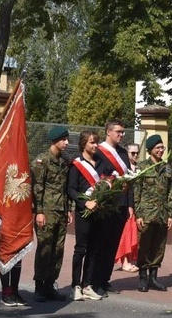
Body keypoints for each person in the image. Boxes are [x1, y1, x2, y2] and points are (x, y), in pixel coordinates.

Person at [92, 119, 133, 297]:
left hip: (122, 203)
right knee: (102, 243)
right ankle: (95, 281)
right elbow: (98, 177)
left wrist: (130, 204)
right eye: (118, 131)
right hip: (107, 204)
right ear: (108, 132)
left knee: (113, 244)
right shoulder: (100, 152)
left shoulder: (123, 153)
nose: (121, 135)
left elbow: (129, 179)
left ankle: (105, 279)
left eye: (123, 132)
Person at [31, 125, 71, 302]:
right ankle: (39, 286)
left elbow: (65, 187)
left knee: (58, 249)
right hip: (46, 211)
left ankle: (50, 284)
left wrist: (68, 209)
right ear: (55, 140)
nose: (67, 143)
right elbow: (37, 188)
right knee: (45, 248)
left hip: (61, 210)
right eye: (64, 139)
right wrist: (39, 211)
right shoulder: (42, 161)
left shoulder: (64, 161)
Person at [133, 134, 172, 292]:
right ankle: (143, 278)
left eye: (162, 147)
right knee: (144, 245)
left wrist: (170, 214)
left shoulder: (167, 167)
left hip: (162, 214)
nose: (161, 150)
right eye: (157, 148)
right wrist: (139, 214)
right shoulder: (143, 167)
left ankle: (153, 278)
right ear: (150, 150)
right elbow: (137, 191)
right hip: (147, 214)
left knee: (159, 246)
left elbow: (171, 192)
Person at [68, 130, 104, 301]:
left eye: (96, 142)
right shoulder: (76, 164)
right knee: (80, 249)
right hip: (84, 212)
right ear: (84, 144)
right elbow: (71, 190)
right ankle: (75, 285)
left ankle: (87, 285)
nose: (95, 145)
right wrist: (85, 203)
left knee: (94, 249)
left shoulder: (100, 164)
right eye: (92, 142)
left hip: (98, 211)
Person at [115, 143, 140, 273]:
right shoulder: (124, 169)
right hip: (127, 205)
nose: (135, 155)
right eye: (132, 153)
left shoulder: (139, 168)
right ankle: (124, 262)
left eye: (137, 153)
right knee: (126, 234)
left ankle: (130, 260)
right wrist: (130, 205)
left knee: (132, 235)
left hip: (138, 205)